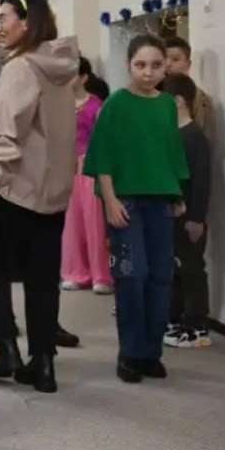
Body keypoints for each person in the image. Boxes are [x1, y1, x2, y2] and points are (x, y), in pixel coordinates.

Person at [0, 0, 79, 393]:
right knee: (42, 278)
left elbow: (7, 133)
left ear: (27, 22)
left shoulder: (20, 68)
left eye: (4, 18)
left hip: (17, 190)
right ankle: (44, 362)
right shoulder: (60, 66)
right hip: (53, 192)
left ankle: (8, 348)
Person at [84, 35, 188, 384]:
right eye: (140, 65)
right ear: (129, 65)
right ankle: (130, 352)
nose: (148, 72)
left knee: (161, 275)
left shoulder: (167, 105)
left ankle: (150, 352)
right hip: (125, 201)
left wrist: (177, 193)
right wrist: (110, 199)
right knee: (132, 274)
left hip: (160, 200)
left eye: (156, 65)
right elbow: (102, 155)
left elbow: (172, 152)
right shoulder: (115, 103)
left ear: (166, 67)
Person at [161, 73, 212, 349]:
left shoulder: (194, 136)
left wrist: (196, 218)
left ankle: (197, 325)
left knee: (192, 269)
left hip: (189, 217)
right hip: (171, 215)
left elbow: (202, 181)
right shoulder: (173, 134)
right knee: (176, 269)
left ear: (179, 101)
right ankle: (177, 319)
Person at [60, 57, 111, 295]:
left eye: (72, 74)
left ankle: (100, 274)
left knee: (95, 222)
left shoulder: (96, 104)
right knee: (71, 222)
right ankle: (74, 272)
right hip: (66, 167)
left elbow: (103, 140)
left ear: (83, 77)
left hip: (90, 166)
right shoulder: (58, 104)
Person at [165, 37, 216, 143]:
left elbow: (201, 137)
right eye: (164, 59)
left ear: (188, 64)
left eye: (175, 59)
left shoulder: (199, 98)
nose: (168, 64)